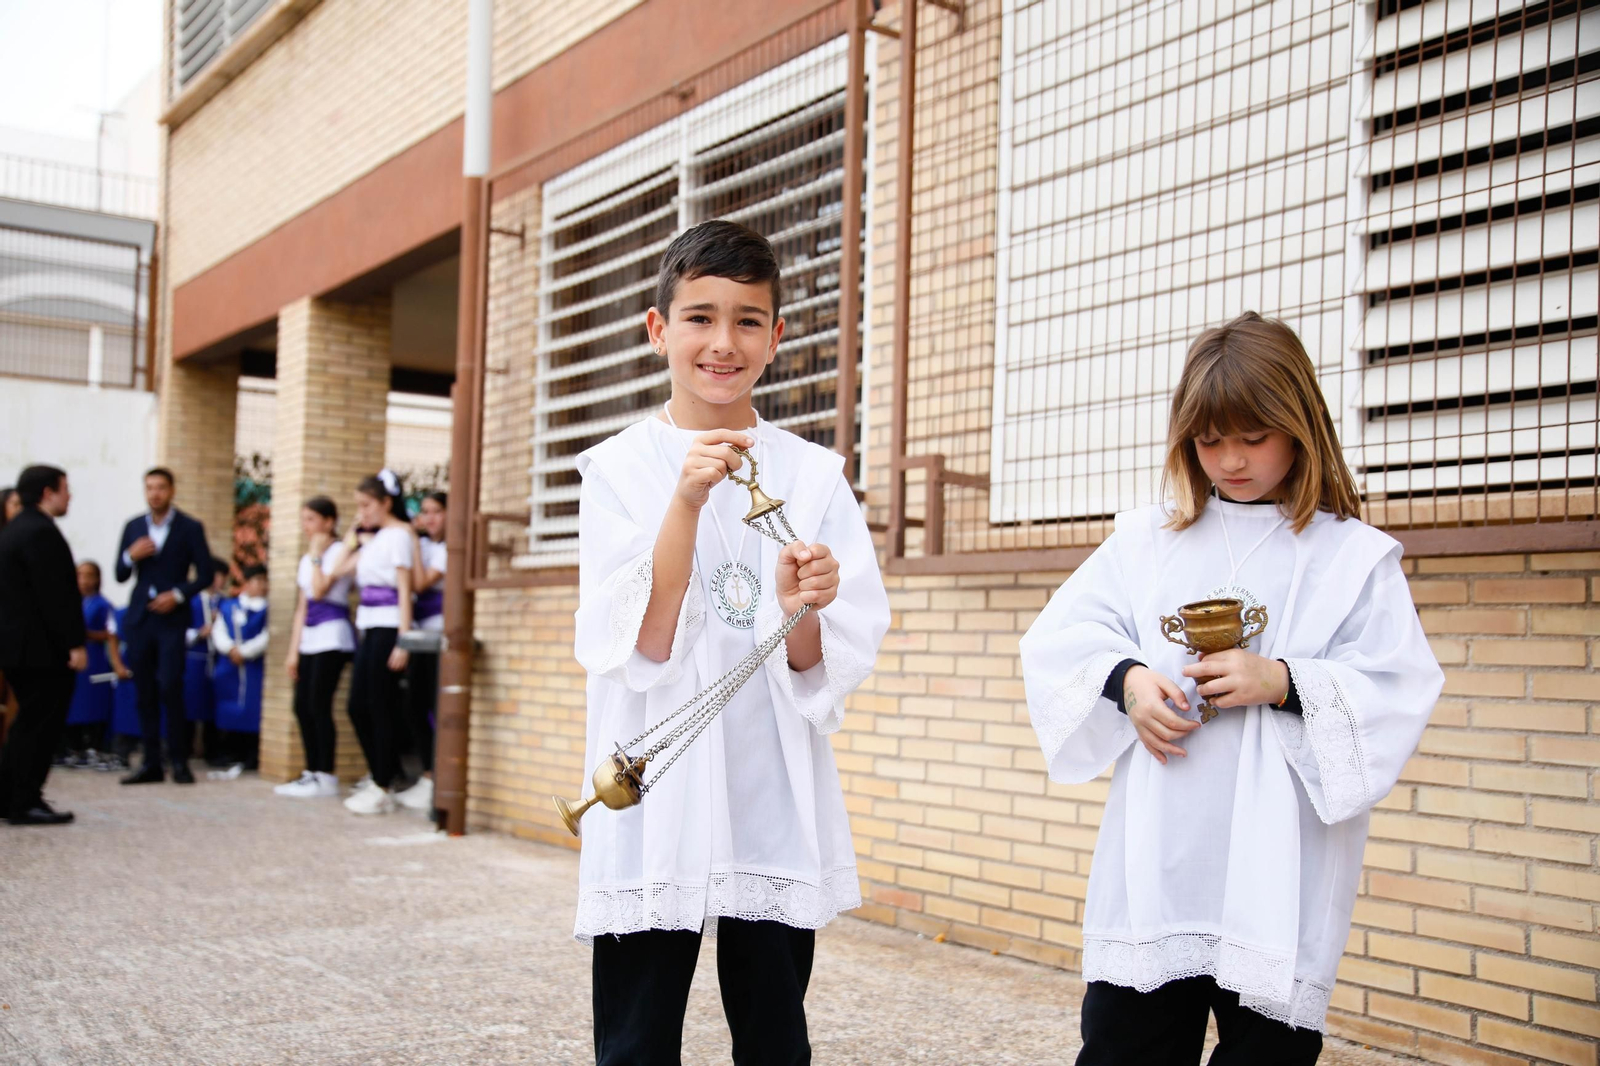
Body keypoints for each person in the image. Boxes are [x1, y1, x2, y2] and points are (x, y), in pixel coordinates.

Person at [1019, 313, 1446, 1065]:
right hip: (1161, 854)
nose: (1231, 460)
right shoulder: (1149, 539)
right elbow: (1060, 639)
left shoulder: (1350, 556)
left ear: (1300, 423)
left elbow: (1398, 685)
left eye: (1253, 437)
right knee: (1125, 1047)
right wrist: (1130, 682)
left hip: (1278, 861)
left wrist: (1282, 680)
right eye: (1209, 440)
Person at [572, 220, 889, 1065]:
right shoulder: (617, 469)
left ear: (778, 336)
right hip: (654, 778)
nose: (723, 342)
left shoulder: (813, 475)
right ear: (657, 329)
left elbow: (824, 659)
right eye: (700, 317)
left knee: (776, 1030)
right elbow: (636, 642)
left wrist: (807, 605)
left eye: (749, 320)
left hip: (766, 777)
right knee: (636, 1036)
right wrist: (682, 504)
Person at [115, 467, 213, 785]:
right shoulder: (132, 526)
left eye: (160, 487)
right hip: (141, 619)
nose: (154, 493)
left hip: (172, 620)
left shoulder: (190, 527)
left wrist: (179, 595)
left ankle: (180, 762)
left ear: (171, 490)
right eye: (149, 488)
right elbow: (119, 573)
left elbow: (206, 574)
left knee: (170, 686)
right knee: (143, 690)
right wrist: (130, 556)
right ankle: (150, 763)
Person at [0, 465, 86, 825]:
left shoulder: (16, 530)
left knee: (26, 724)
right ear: (48, 492)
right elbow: (55, 597)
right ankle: (24, 801)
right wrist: (75, 644)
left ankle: (12, 797)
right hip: (41, 651)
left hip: (20, 648)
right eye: (66, 489)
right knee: (38, 727)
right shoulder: (40, 532)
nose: (70, 496)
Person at [331, 470, 417, 815]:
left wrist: (403, 641)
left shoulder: (398, 535)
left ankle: (383, 784)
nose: (362, 511)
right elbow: (337, 571)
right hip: (367, 626)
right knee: (357, 706)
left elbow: (405, 589)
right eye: (358, 506)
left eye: (367, 505)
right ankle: (383, 774)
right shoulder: (373, 538)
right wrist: (354, 533)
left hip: (388, 627)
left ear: (386, 502)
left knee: (378, 705)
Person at [277, 496, 355, 799]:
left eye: (311, 519)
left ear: (329, 521)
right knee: (301, 705)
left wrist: (316, 555)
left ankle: (326, 775)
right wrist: (293, 650)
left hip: (332, 636)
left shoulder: (338, 552)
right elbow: (302, 606)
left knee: (319, 704)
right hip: (309, 636)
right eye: (303, 519)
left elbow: (321, 589)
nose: (305, 526)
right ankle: (311, 771)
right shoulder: (307, 558)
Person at [394, 490, 447, 813]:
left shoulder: (442, 550)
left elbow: (419, 582)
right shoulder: (425, 545)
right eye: (424, 511)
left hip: (438, 635)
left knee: (432, 705)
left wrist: (411, 543)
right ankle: (427, 773)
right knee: (414, 705)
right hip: (419, 633)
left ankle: (434, 776)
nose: (429, 518)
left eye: (436, 511)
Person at [210, 565, 269, 776]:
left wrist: (245, 651)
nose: (262, 585)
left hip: (253, 665)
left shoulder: (267, 609)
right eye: (258, 580)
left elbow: (267, 636)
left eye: (265, 580)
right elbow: (219, 631)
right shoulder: (229, 606)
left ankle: (251, 754)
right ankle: (228, 751)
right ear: (247, 582)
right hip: (229, 666)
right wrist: (230, 649)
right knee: (228, 706)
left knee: (252, 707)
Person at [61, 562, 116, 767]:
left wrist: (85, 634)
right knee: (74, 704)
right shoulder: (71, 603)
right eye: (80, 575)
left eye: (89, 576)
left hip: (95, 660)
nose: (84, 581)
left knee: (94, 703)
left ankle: (95, 745)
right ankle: (73, 746)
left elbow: (112, 634)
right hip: (75, 661)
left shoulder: (102, 605)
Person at [186, 559, 229, 767]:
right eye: (217, 575)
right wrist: (199, 633)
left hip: (218, 660)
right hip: (195, 659)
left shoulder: (226, 603)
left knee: (214, 706)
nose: (220, 580)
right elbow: (179, 632)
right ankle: (184, 749)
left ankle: (213, 751)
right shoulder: (191, 601)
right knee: (191, 704)